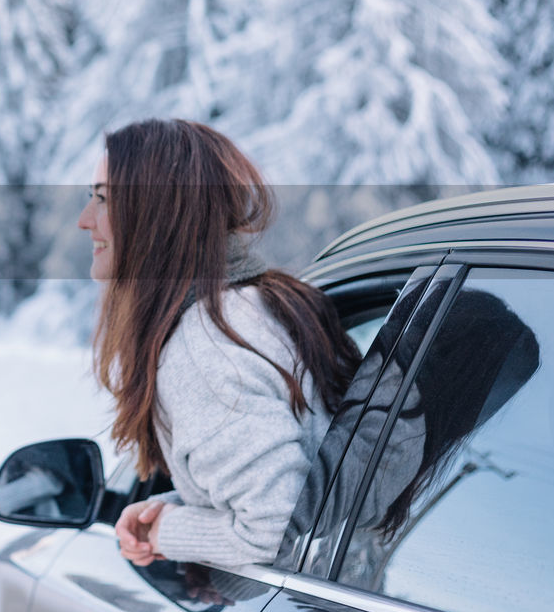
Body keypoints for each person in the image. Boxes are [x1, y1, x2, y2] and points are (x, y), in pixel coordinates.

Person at [75, 119, 361, 568]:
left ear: (156, 215)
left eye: (104, 199)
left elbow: (273, 530)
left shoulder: (207, 345)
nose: (85, 220)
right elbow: (296, 476)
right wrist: (174, 512)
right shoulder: (263, 304)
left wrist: (167, 531)